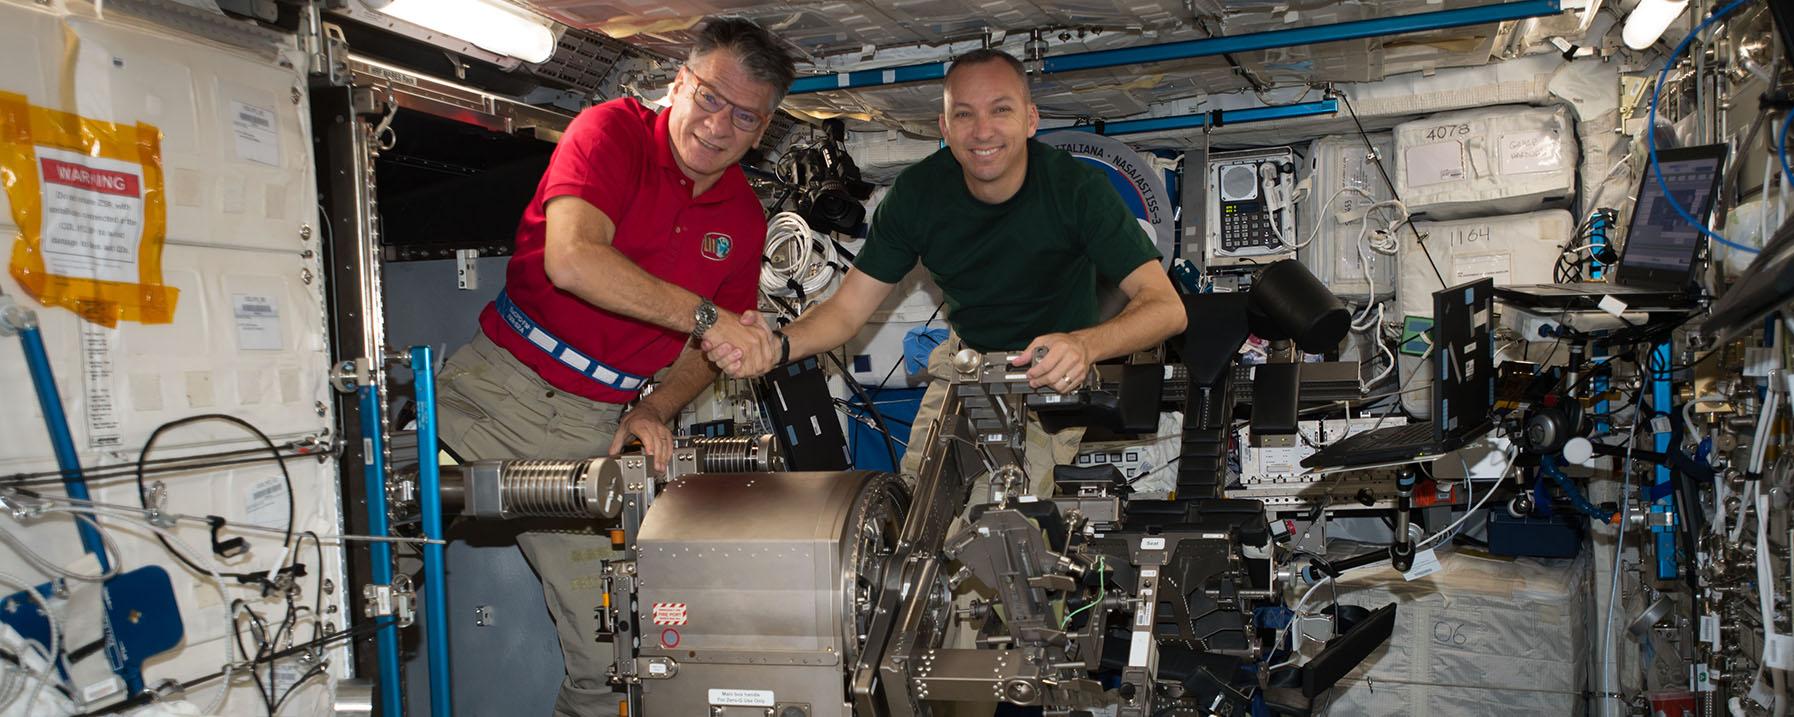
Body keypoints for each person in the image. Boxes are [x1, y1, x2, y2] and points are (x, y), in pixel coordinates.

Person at [433, 17, 793, 716]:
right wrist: (705, 314)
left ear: (764, 128)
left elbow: (706, 351)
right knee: (372, 563)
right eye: (711, 97)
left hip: (592, 432)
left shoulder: (745, 219)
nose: (719, 125)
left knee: (623, 655)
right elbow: (572, 258)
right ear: (680, 83)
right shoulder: (610, 132)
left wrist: (655, 407)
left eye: (744, 116)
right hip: (490, 395)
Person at [708, 48, 1186, 484]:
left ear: (1030, 120)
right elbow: (848, 310)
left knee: (1007, 526)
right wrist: (776, 346)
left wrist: (1084, 345)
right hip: (971, 362)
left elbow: (1167, 309)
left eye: (1001, 110)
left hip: (1050, 374)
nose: (982, 131)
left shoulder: (1078, 191)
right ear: (945, 127)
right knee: (921, 507)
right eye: (964, 114)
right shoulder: (917, 196)